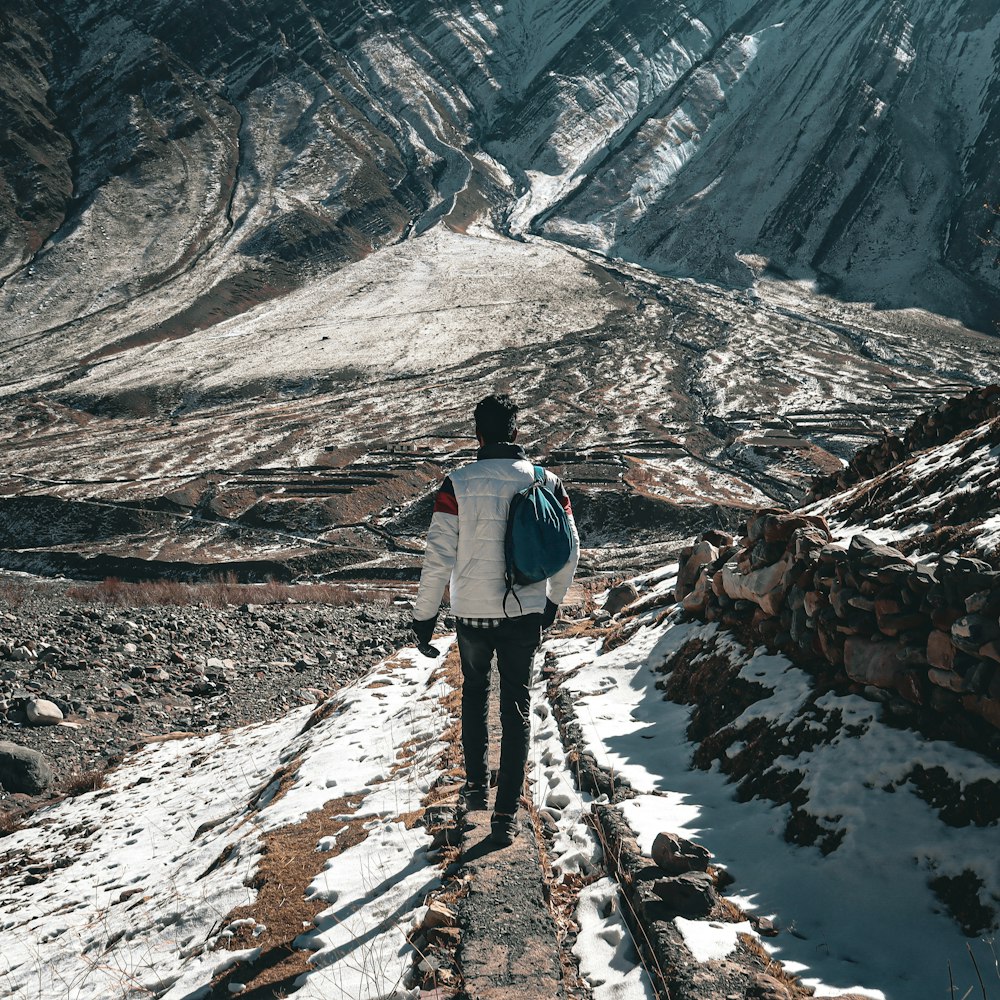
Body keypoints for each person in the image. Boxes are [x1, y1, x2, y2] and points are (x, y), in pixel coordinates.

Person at [411, 393, 579, 846]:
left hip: (472, 614)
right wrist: (553, 602)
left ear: (478, 435)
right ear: (517, 433)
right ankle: (506, 815)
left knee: (474, 694)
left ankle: (475, 791)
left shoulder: (457, 483)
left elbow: (438, 556)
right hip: (525, 612)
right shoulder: (548, 482)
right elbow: (569, 550)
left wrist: (425, 616)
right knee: (516, 707)